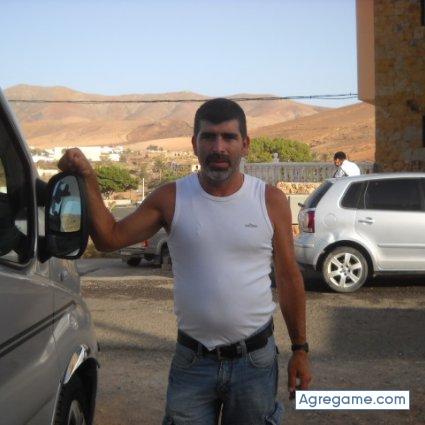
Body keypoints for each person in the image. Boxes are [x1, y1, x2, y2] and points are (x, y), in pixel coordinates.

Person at [59, 98, 311, 424]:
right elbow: (110, 238)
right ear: (194, 143)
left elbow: (289, 278)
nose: (218, 147)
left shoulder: (269, 200)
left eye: (229, 137)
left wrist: (300, 349)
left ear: (245, 144)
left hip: (254, 362)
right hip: (193, 362)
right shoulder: (171, 198)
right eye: (208, 137)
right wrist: (88, 178)